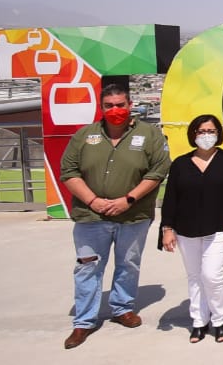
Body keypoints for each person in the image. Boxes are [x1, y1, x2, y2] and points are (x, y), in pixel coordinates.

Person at [59, 83, 171, 349]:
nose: (115, 110)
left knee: (128, 264)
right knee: (87, 266)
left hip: (133, 215)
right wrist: (94, 201)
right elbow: (69, 171)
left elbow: (158, 171)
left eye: (120, 105)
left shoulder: (149, 134)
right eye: (109, 106)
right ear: (101, 107)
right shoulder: (84, 136)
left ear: (130, 105)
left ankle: (122, 308)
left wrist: (127, 200)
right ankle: (84, 321)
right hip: (90, 216)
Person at [160, 114, 223, 343]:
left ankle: (220, 320)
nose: (206, 135)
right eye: (201, 131)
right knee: (195, 277)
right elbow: (171, 198)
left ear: (218, 134)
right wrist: (167, 228)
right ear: (193, 134)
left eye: (211, 131)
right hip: (186, 229)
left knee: (212, 275)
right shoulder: (180, 164)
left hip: (219, 228)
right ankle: (199, 321)